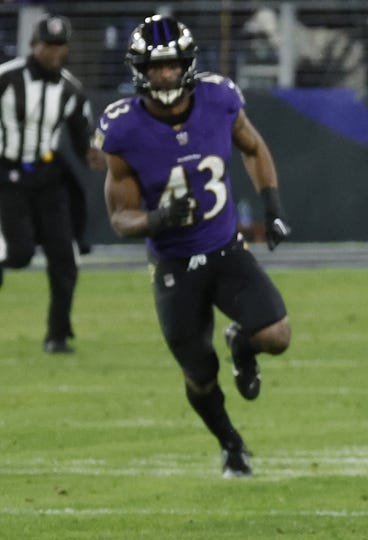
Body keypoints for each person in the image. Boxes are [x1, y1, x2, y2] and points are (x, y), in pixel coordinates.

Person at [96, 14, 292, 478]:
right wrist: (159, 219)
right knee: (200, 375)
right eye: (155, 66)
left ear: (187, 64)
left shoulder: (220, 98)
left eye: (171, 65)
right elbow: (119, 218)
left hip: (224, 247)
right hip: (174, 264)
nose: (164, 75)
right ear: (139, 70)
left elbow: (253, 146)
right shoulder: (122, 129)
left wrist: (273, 206)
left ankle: (242, 345)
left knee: (276, 335)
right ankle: (231, 444)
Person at [0, 14, 98, 353]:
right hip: (7, 173)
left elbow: (82, 137)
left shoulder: (71, 88)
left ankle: (57, 335)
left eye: (60, 45)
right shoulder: (6, 78)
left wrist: (97, 155)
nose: (54, 52)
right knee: (19, 252)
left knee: (64, 258)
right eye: (48, 45)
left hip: (48, 177)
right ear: (34, 45)